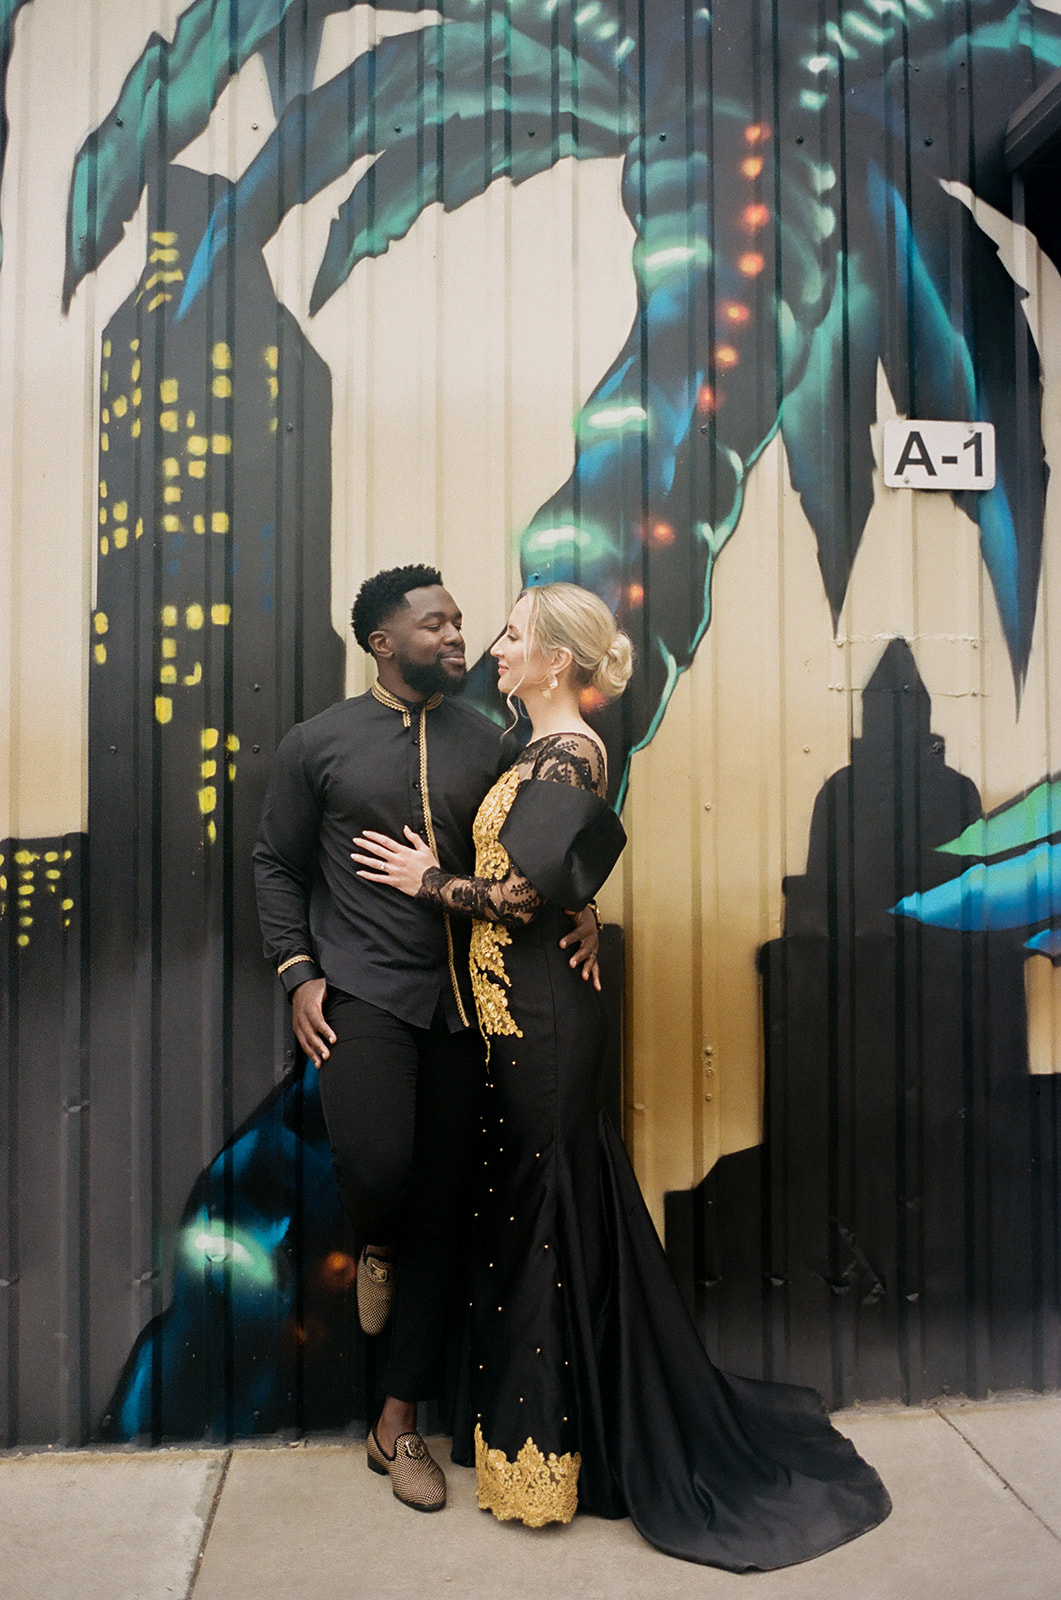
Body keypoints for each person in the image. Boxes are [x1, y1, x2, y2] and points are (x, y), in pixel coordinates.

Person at [352, 580, 892, 1570]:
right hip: (515, 1015)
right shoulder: (537, 751)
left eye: (513, 636)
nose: (498, 649)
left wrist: (424, 880)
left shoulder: (569, 749)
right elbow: (562, 876)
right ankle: (566, 1436)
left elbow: (517, 896)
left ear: (557, 659)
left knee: (542, 1216)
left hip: (543, 1023)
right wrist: (581, 906)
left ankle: (556, 1448)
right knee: (535, 1214)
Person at [253, 564, 599, 1514]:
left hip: (469, 1008)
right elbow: (276, 863)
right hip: (363, 996)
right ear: (382, 643)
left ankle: (397, 1426)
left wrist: (585, 906)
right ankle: (376, 1243)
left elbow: (537, 845)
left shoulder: (490, 741)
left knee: (446, 1210)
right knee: (377, 1169)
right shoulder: (317, 743)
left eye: (460, 623)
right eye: (436, 625)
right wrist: (297, 972)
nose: (457, 636)